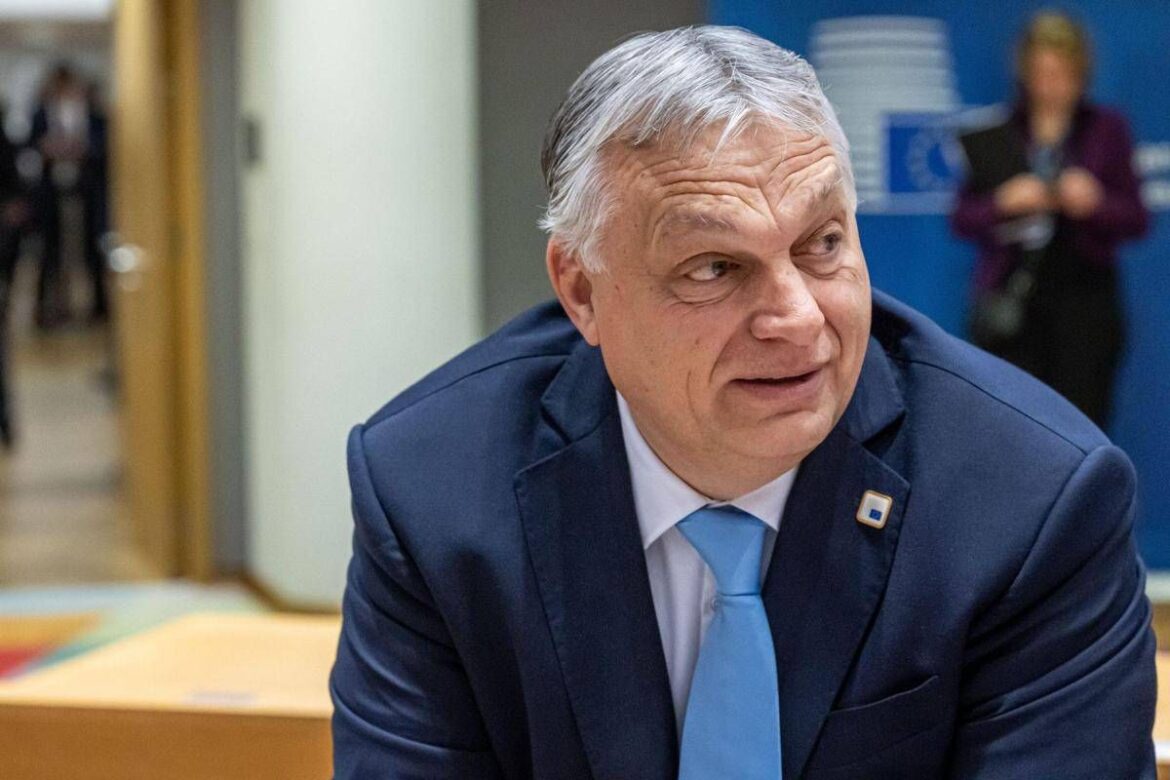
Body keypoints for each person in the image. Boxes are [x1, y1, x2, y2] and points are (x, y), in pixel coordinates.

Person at [330, 26, 1156, 778]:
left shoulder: (1033, 503)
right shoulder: (431, 493)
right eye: (714, 268)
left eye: (822, 244)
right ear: (582, 291)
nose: (798, 318)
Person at [952, 12, 1148, 427]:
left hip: (1085, 300)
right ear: (1024, 71)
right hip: (1015, 299)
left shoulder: (1105, 129)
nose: (1050, 85)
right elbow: (962, 218)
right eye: (1041, 73)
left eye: (1062, 74)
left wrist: (1094, 202)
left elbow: (1136, 218)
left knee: (1082, 425)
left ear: (1081, 74)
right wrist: (1004, 203)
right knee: (1015, 425)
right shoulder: (1000, 131)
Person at [29, 63, 110, 329]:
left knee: (92, 250)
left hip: (86, 189)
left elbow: (104, 148)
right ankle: (48, 308)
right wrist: (47, 149)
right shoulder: (41, 114)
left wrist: (83, 149)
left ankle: (98, 308)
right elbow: (30, 148)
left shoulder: (94, 115)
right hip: (51, 191)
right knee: (49, 252)